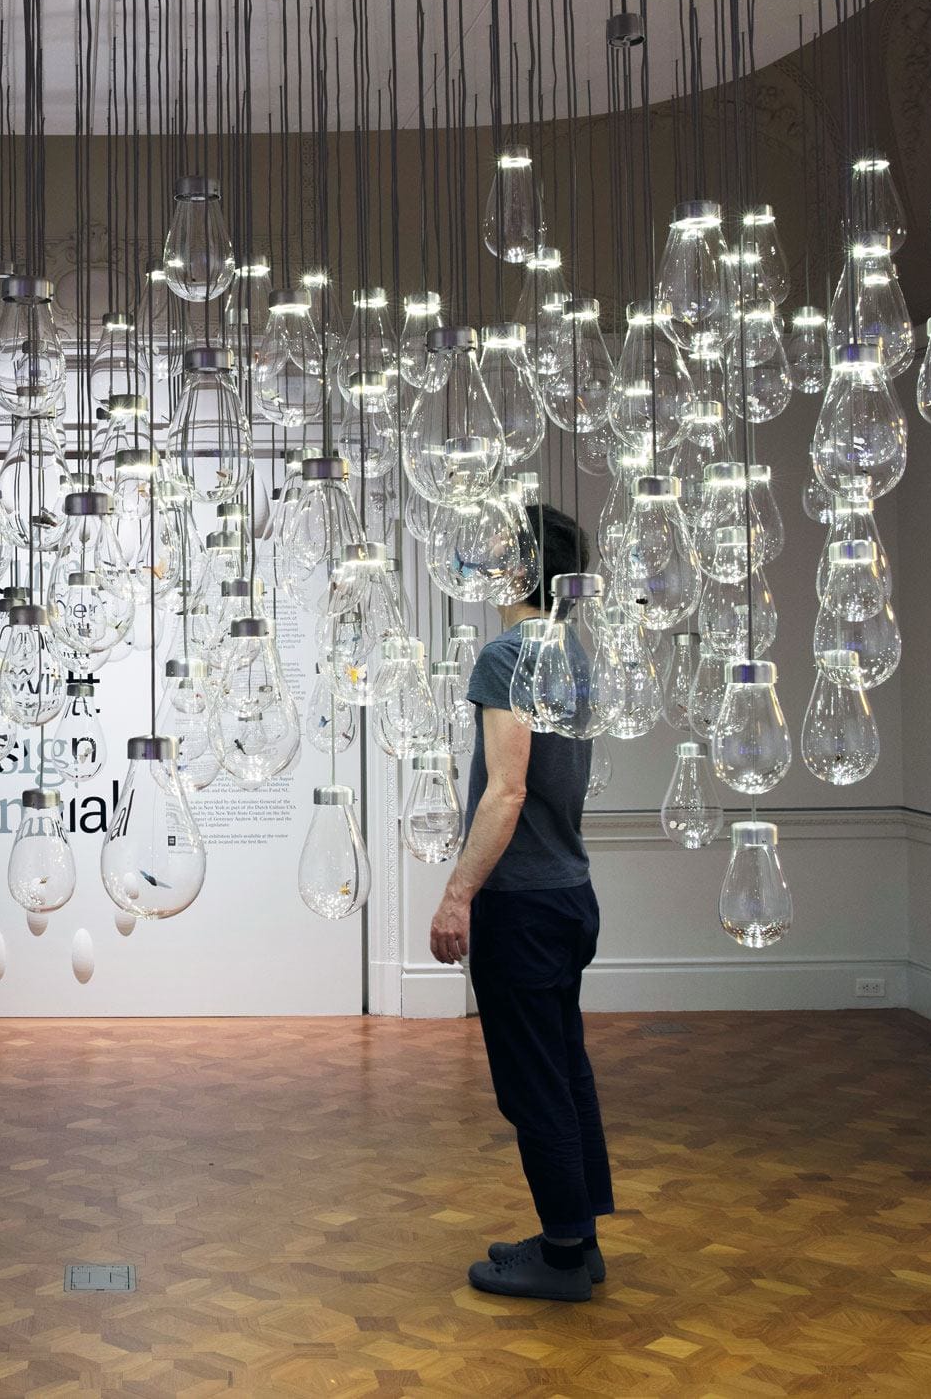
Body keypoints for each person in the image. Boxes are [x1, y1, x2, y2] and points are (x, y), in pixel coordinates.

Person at [428, 503, 612, 1302]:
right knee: (564, 1070)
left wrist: (456, 895)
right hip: (569, 894)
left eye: (495, 549)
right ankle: (578, 1233)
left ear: (517, 563)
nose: (479, 559)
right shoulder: (572, 651)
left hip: (524, 903)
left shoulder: (508, 653)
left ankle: (565, 1254)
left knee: (534, 1082)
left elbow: (506, 791)